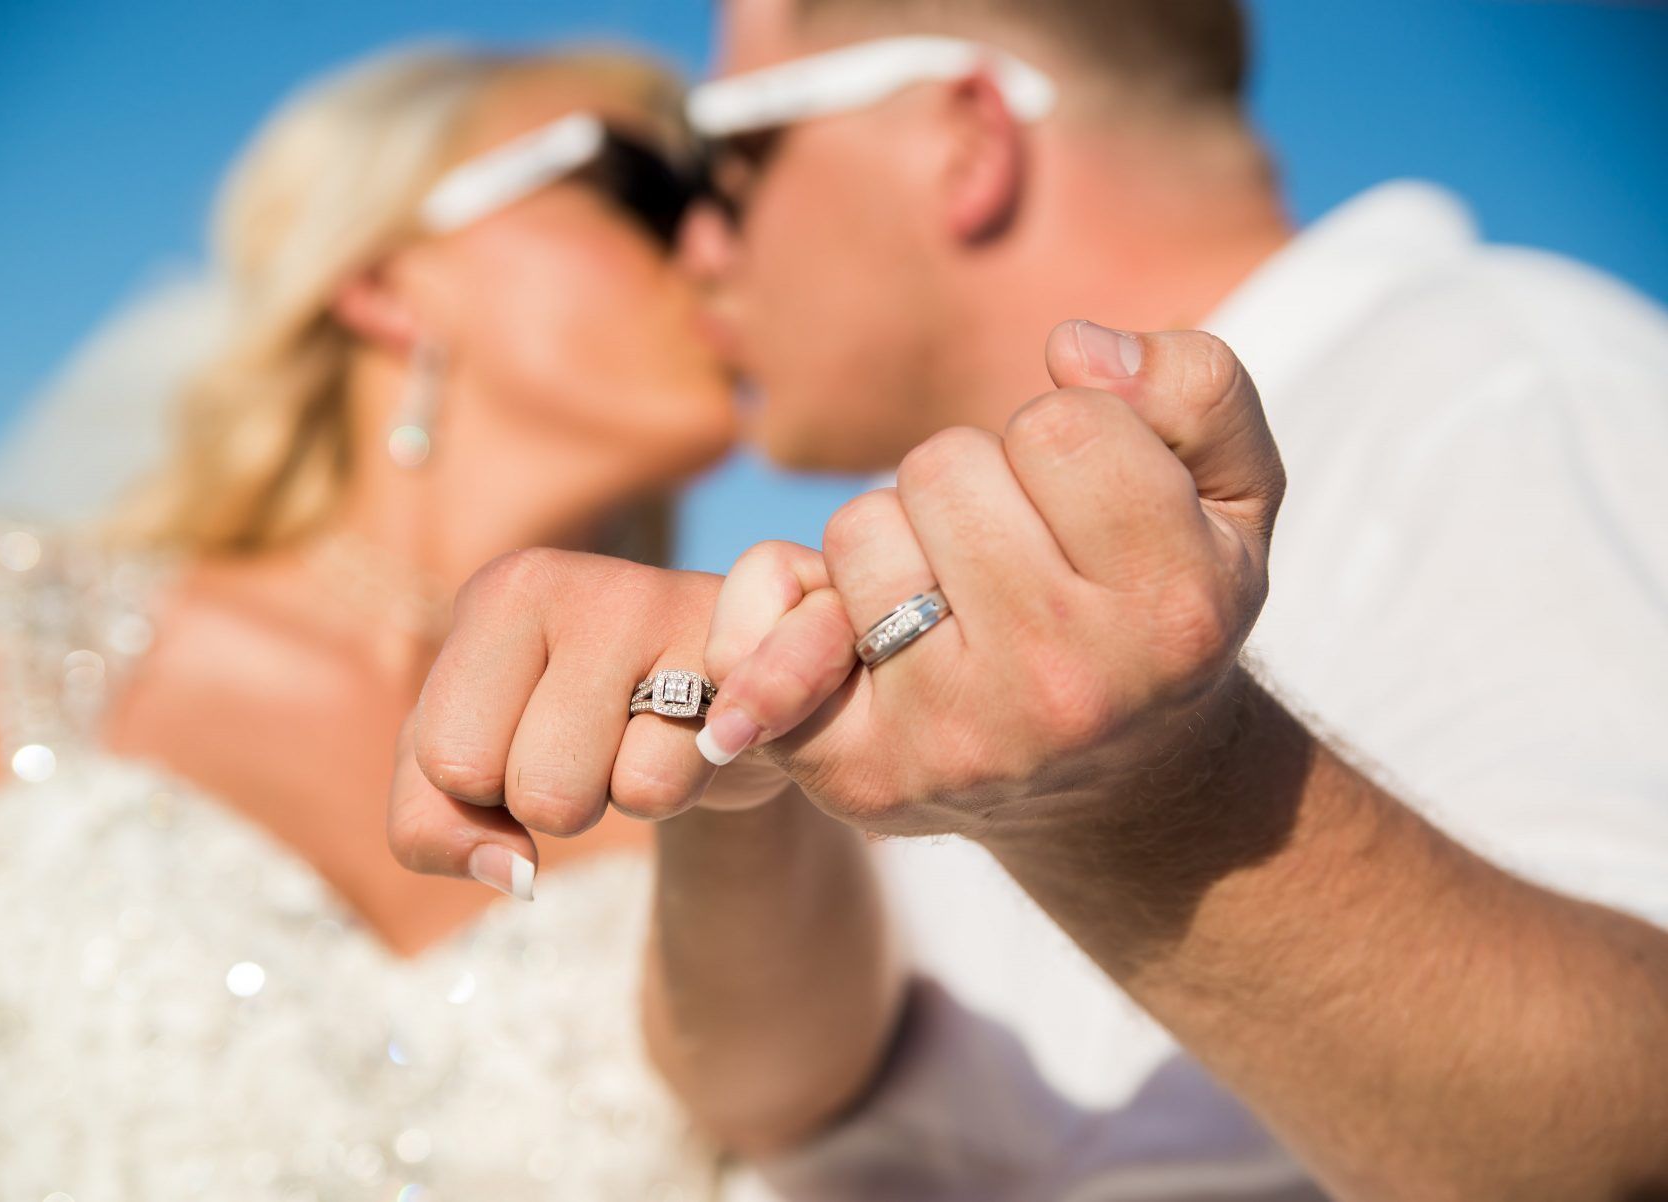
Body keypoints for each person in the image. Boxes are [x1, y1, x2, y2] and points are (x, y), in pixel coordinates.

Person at [391, 1, 1668, 1198]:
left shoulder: (1503, 388)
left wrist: (1142, 789)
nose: (701, 250)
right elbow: (789, 1101)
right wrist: (735, 776)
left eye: (733, 164)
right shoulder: (922, 557)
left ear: (965, 140)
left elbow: (1632, 1120)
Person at [0, 44, 898, 1200]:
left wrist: (740, 764)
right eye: (643, 189)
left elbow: (797, 1088)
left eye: (725, 202)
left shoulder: (733, 729)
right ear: (382, 282)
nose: (717, 248)